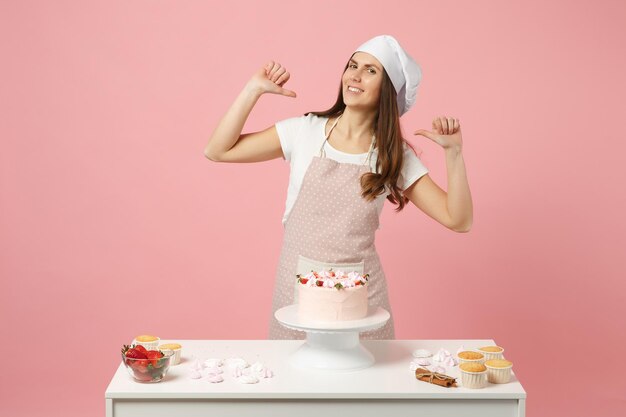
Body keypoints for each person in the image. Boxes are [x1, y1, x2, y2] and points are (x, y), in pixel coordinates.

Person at [204, 35, 473, 340]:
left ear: (387, 90)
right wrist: (253, 90)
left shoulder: (393, 154)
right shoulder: (303, 131)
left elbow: (459, 220)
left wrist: (454, 154)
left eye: (371, 70)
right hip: (296, 292)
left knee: (363, 383)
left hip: (362, 303)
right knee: (295, 382)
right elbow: (217, 150)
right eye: (352, 65)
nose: (355, 76)